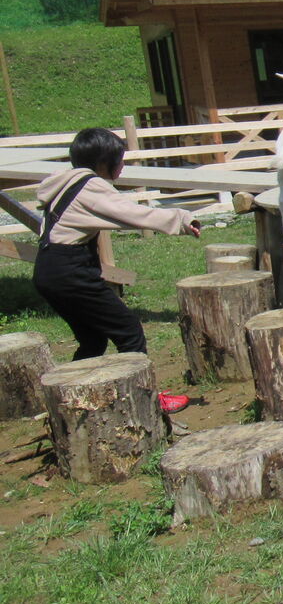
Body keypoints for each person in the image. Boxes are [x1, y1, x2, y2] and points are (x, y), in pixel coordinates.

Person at [33, 128, 201, 411]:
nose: (122, 166)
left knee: (93, 340)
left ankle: (68, 402)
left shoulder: (65, 182)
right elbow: (134, 214)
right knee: (129, 331)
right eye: (119, 160)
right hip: (70, 271)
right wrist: (182, 219)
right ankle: (144, 400)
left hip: (49, 269)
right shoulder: (90, 186)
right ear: (103, 163)